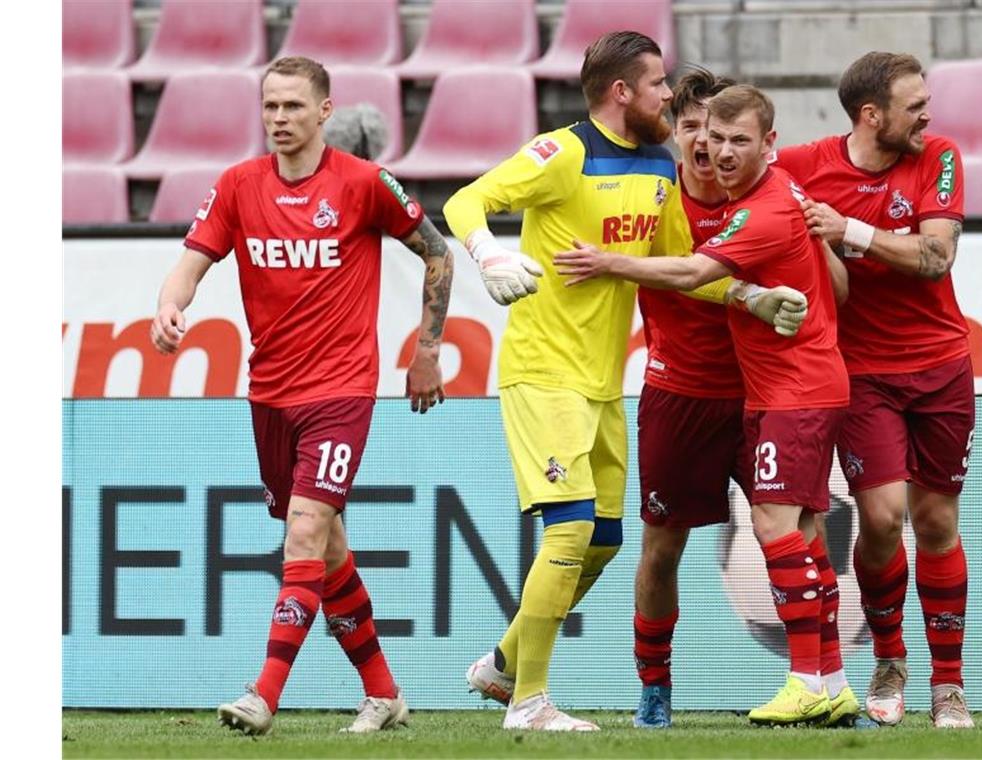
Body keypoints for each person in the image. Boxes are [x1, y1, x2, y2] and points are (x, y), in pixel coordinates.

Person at [442, 32, 778, 731]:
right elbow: (466, 201)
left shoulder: (660, 165)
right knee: (567, 531)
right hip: (543, 374)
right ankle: (529, 702)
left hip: (601, 385)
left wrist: (749, 298)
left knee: (602, 539)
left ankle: (503, 666)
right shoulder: (564, 153)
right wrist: (488, 256)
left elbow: (684, 268)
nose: (668, 95)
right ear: (622, 92)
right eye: (658, 84)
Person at [149, 56, 454, 736]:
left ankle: (264, 694)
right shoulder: (236, 186)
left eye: (292, 107)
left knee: (306, 532)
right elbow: (189, 263)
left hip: (342, 389)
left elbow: (438, 251)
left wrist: (426, 350)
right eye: (270, 108)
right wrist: (169, 307)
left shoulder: (364, 184)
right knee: (330, 549)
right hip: (270, 393)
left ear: (324, 111)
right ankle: (383, 693)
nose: (279, 119)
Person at [555, 83, 850, 727]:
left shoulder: (768, 196)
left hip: (768, 392)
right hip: (681, 393)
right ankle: (655, 689)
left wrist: (819, 242)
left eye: (722, 134)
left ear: (759, 142)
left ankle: (825, 680)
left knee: (800, 531)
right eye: (696, 129)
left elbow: (833, 289)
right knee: (661, 548)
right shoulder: (655, 195)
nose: (707, 145)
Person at [771, 51, 974, 729]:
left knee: (938, 522)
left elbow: (936, 256)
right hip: (859, 375)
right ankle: (890, 659)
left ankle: (950, 686)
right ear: (871, 115)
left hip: (942, 365)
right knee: (884, 519)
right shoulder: (804, 165)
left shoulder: (939, 155)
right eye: (914, 105)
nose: (928, 115)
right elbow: (744, 179)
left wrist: (850, 230)